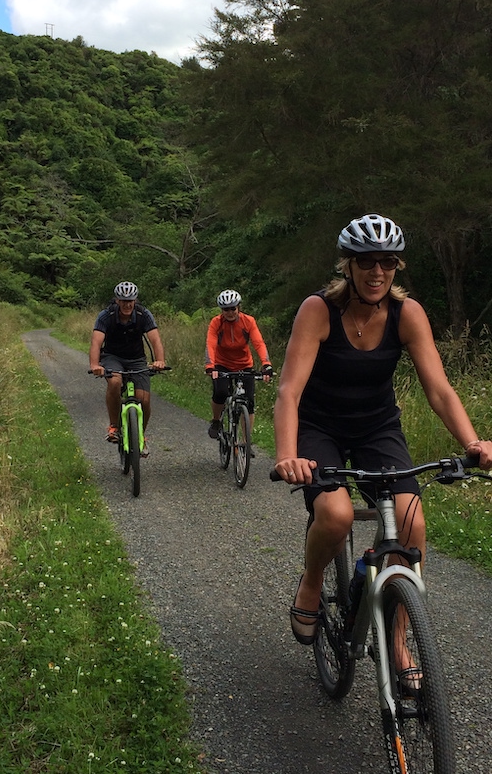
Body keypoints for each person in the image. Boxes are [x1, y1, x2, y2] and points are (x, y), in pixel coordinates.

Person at [273, 214, 492, 661]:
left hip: (377, 427)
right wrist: (286, 455)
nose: (377, 272)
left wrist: (474, 442)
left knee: (412, 525)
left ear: (397, 267)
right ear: (347, 266)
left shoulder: (406, 314)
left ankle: (398, 640)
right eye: (366, 261)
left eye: (388, 262)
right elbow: (289, 391)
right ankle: (313, 579)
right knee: (335, 516)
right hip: (320, 427)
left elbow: (439, 389)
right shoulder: (319, 310)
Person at [89, 281, 165, 457]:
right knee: (115, 382)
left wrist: (160, 360)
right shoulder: (106, 316)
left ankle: (141, 436)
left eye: (130, 300)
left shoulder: (143, 314)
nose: (127, 304)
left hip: (137, 359)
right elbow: (96, 341)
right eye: (123, 300)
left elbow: (155, 339)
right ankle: (114, 426)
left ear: (135, 300)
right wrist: (95, 365)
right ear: (116, 300)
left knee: (143, 399)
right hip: (112, 357)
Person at [205, 289, 273, 447]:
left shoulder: (248, 321)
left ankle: (245, 441)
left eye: (232, 308)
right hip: (222, 364)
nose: (229, 312)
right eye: (225, 309)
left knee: (248, 401)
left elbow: (258, 343)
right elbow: (210, 343)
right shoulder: (216, 323)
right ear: (221, 310)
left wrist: (266, 364)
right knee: (220, 393)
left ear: (238, 307)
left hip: (244, 364)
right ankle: (216, 421)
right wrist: (210, 366)